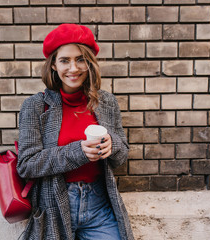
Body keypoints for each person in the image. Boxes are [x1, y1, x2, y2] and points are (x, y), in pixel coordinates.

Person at [17, 23, 134, 240]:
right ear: (53, 65)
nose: (73, 68)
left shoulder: (106, 101)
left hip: (99, 205)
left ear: (90, 62)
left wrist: (113, 144)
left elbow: (122, 155)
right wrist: (78, 152)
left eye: (80, 59)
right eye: (64, 60)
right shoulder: (35, 106)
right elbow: (27, 165)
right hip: (53, 207)